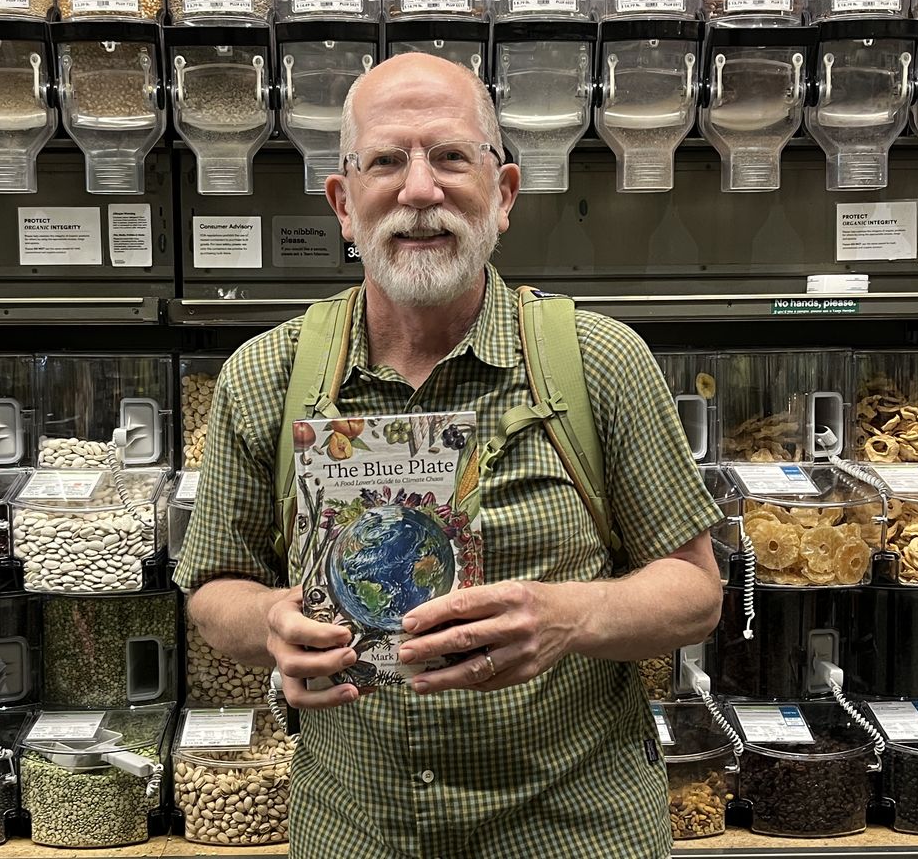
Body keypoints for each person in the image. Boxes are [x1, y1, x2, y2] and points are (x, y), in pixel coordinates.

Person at [174, 52, 725, 858]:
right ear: (343, 202)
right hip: (357, 833)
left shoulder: (600, 361)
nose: (421, 191)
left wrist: (570, 618)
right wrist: (271, 623)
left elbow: (696, 594)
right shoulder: (267, 374)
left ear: (502, 195)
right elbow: (212, 588)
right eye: (387, 161)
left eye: (452, 157)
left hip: (572, 833)